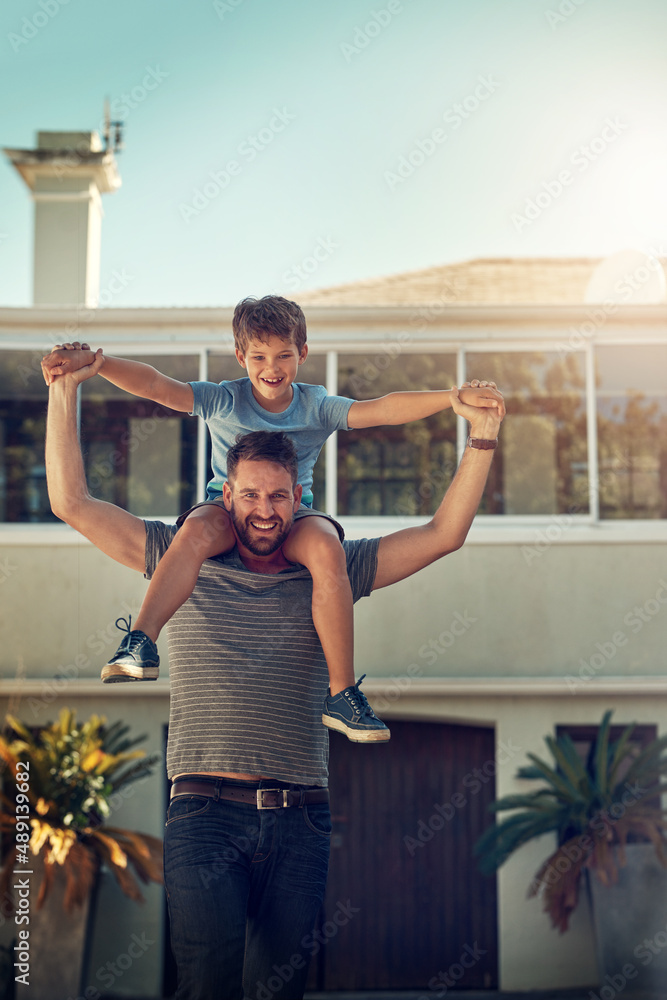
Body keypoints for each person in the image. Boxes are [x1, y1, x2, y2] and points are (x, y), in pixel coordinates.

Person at [44, 350, 503, 1000]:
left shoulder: (331, 572)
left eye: (278, 496)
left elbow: (443, 533)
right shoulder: (179, 558)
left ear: (299, 498)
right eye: (250, 495)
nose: (264, 510)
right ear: (225, 495)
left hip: (301, 821)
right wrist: (64, 391)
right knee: (208, 984)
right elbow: (71, 502)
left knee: (277, 990)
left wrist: (481, 436)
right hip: (204, 814)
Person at [41, 296, 503, 744]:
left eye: (284, 354)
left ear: (303, 353)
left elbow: (380, 409)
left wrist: (451, 398)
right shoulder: (224, 400)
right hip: (221, 515)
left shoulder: (316, 406)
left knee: (327, 548)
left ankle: (342, 694)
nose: (272, 367)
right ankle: (141, 641)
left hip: (299, 520)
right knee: (195, 531)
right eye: (259, 356)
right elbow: (158, 386)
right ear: (240, 356)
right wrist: (97, 366)